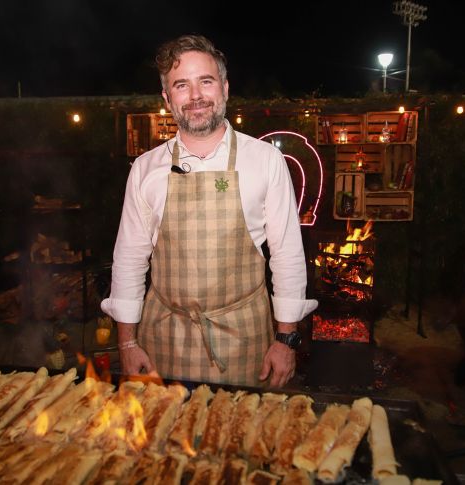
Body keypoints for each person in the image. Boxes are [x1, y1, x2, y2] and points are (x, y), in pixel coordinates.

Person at [101, 34, 317, 388]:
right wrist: (126, 342)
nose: (195, 95)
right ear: (167, 99)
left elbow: (287, 256)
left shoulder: (266, 161)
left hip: (244, 336)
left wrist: (285, 340)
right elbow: (129, 260)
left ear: (225, 89)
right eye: (181, 85)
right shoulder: (145, 168)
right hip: (163, 337)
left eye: (206, 81)